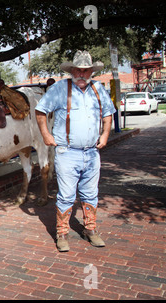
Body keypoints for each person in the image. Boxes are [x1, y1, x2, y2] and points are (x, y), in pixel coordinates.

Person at [35, 51, 116, 252]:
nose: (81, 73)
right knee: (66, 195)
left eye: (85, 70)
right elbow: (40, 111)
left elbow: (107, 115)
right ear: (72, 70)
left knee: (90, 194)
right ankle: (62, 234)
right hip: (67, 152)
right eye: (78, 70)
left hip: (91, 153)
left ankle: (91, 230)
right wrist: (46, 134)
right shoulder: (60, 88)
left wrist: (105, 135)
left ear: (91, 71)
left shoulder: (98, 88)